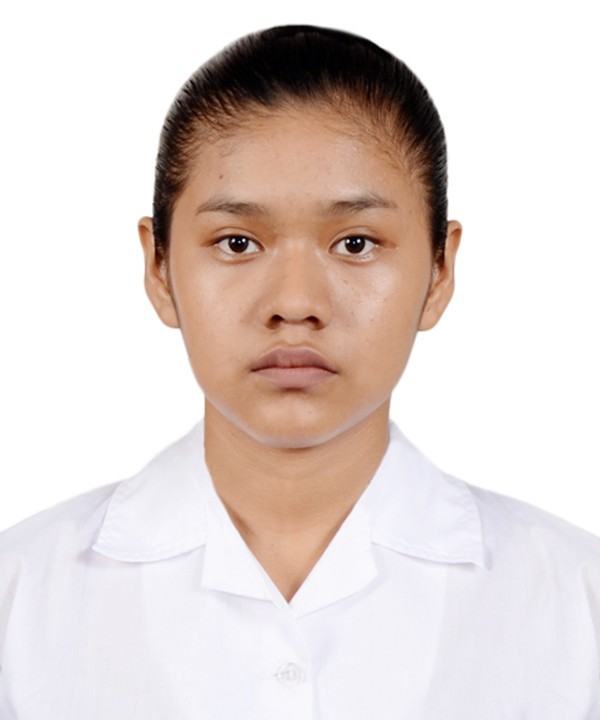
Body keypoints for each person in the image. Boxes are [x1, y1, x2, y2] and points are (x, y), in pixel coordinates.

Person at [0, 24, 598, 719]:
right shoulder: (21, 601)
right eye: (237, 242)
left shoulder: (575, 605)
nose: (294, 303)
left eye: (355, 243)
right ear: (159, 268)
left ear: (440, 271)